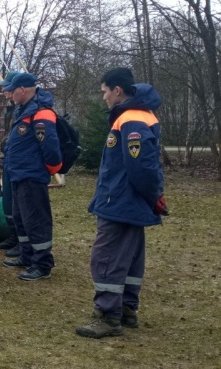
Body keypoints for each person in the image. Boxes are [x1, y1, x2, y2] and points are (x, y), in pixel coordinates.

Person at [76, 67, 167, 338]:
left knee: (106, 257)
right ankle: (126, 309)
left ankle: (107, 316)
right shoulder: (139, 115)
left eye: (105, 92)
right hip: (131, 200)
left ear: (117, 90)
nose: (103, 98)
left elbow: (141, 166)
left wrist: (154, 195)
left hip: (120, 200)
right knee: (130, 257)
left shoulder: (131, 120)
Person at [0, 72, 61, 281]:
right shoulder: (23, 111)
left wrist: (48, 170)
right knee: (21, 218)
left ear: (23, 90)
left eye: (11, 89)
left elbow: (51, 149)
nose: (7, 93)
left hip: (31, 176)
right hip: (18, 174)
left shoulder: (41, 113)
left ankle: (43, 263)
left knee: (36, 221)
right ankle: (27, 255)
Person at [0, 71, 20, 257]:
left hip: (21, 166)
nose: (5, 92)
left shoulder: (25, 110)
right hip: (10, 161)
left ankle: (22, 242)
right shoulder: (12, 109)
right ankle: (13, 237)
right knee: (8, 202)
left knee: (19, 206)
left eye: (8, 88)